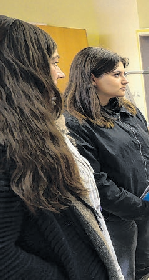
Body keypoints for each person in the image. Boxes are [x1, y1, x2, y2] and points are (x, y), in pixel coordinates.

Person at [0, 16, 122, 279]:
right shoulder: (8, 144)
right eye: (54, 62)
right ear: (23, 70)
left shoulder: (36, 129)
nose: (60, 72)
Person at [65, 47, 149, 280]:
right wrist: (136, 206)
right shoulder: (77, 123)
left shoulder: (128, 109)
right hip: (115, 217)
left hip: (145, 206)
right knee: (122, 273)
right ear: (92, 78)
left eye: (125, 73)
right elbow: (95, 181)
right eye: (117, 75)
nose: (125, 81)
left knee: (144, 266)